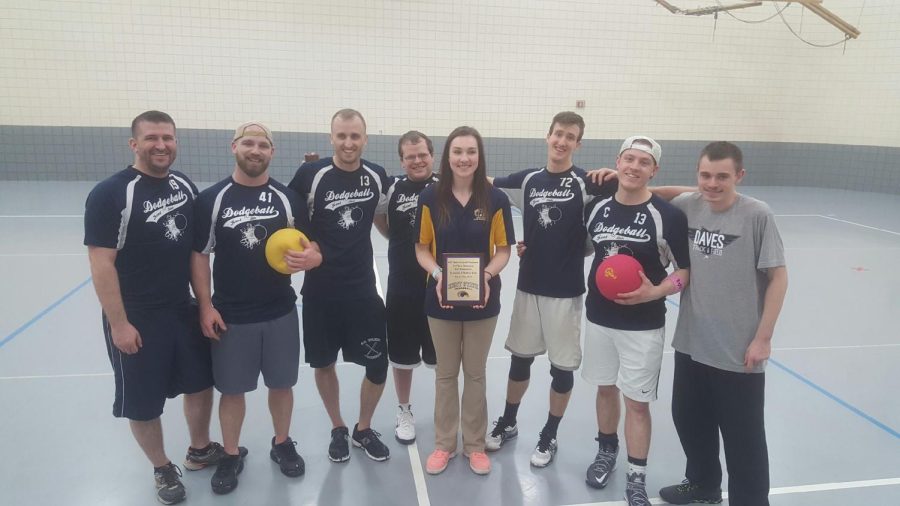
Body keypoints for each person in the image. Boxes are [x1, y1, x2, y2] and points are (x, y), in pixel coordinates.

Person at [84, 110, 225, 505]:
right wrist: (119, 324)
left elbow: (197, 252)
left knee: (200, 381)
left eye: (168, 138)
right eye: (151, 138)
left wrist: (203, 305)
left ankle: (199, 449)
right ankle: (162, 468)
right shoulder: (111, 193)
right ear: (134, 144)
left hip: (181, 305)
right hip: (137, 314)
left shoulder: (183, 185)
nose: (161, 145)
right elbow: (101, 263)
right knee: (143, 399)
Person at [192, 122, 321, 493]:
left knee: (282, 386)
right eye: (248, 143)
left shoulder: (287, 199)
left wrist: (313, 257)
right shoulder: (213, 199)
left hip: (280, 310)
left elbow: (312, 246)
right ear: (234, 147)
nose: (255, 150)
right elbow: (199, 256)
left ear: (271, 152)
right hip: (231, 315)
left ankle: (282, 443)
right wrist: (205, 305)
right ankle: (231, 453)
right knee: (232, 391)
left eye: (263, 144)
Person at [657, 142, 788, 506]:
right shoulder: (689, 204)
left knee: (743, 438)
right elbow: (669, 194)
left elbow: (778, 278)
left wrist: (763, 339)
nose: (712, 184)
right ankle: (703, 484)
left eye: (722, 177)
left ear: (739, 176)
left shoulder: (756, 214)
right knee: (688, 419)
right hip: (691, 342)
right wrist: (628, 180)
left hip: (737, 349)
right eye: (705, 175)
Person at [486, 111, 614, 467]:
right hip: (529, 286)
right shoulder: (527, 180)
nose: (562, 141)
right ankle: (509, 422)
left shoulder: (589, 182)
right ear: (548, 136)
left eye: (570, 137)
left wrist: (618, 174)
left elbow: (634, 190)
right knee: (519, 360)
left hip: (566, 290)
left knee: (561, 369)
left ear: (578, 143)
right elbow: (486, 182)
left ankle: (549, 434)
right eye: (558, 134)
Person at [582, 136, 690, 506]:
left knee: (638, 404)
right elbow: (585, 248)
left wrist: (655, 292)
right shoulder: (596, 208)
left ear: (653, 170)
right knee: (604, 389)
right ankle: (606, 451)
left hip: (643, 326)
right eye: (628, 159)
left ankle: (636, 475)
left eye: (643, 162)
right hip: (598, 319)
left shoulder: (667, 216)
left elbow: (683, 273)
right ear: (618, 161)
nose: (634, 167)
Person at [287, 109, 392, 463]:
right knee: (324, 363)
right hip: (320, 292)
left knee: (378, 364)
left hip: (363, 289)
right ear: (332, 138)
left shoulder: (377, 176)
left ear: (365, 138)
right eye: (342, 136)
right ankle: (338, 427)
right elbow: (291, 224)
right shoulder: (311, 175)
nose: (349, 143)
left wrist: (414, 245)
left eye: (355, 136)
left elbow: (383, 221)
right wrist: (311, 249)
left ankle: (363, 428)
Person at [415, 126, 515, 476]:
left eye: (471, 151)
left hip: (482, 301)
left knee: (474, 374)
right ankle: (444, 444)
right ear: (448, 156)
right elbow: (422, 249)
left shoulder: (495, 199)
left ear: (479, 156)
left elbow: (503, 251)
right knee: (445, 374)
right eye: (457, 151)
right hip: (439, 299)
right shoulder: (430, 197)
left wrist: (486, 276)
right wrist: (440, 276)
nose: (464, 158)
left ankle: (474, 445)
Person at [373, 131, 439, 444]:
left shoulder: (446, 186)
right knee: (401, 354)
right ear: (402, 160)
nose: (416, 160)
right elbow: (382, 220)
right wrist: (404, 243)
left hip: (440, 285)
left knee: (444, 356)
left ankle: (446, 411)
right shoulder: (392, 187)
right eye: (410, 156)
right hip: (402, 284)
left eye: (422, 154)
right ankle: (404, 410)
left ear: (432, 155)